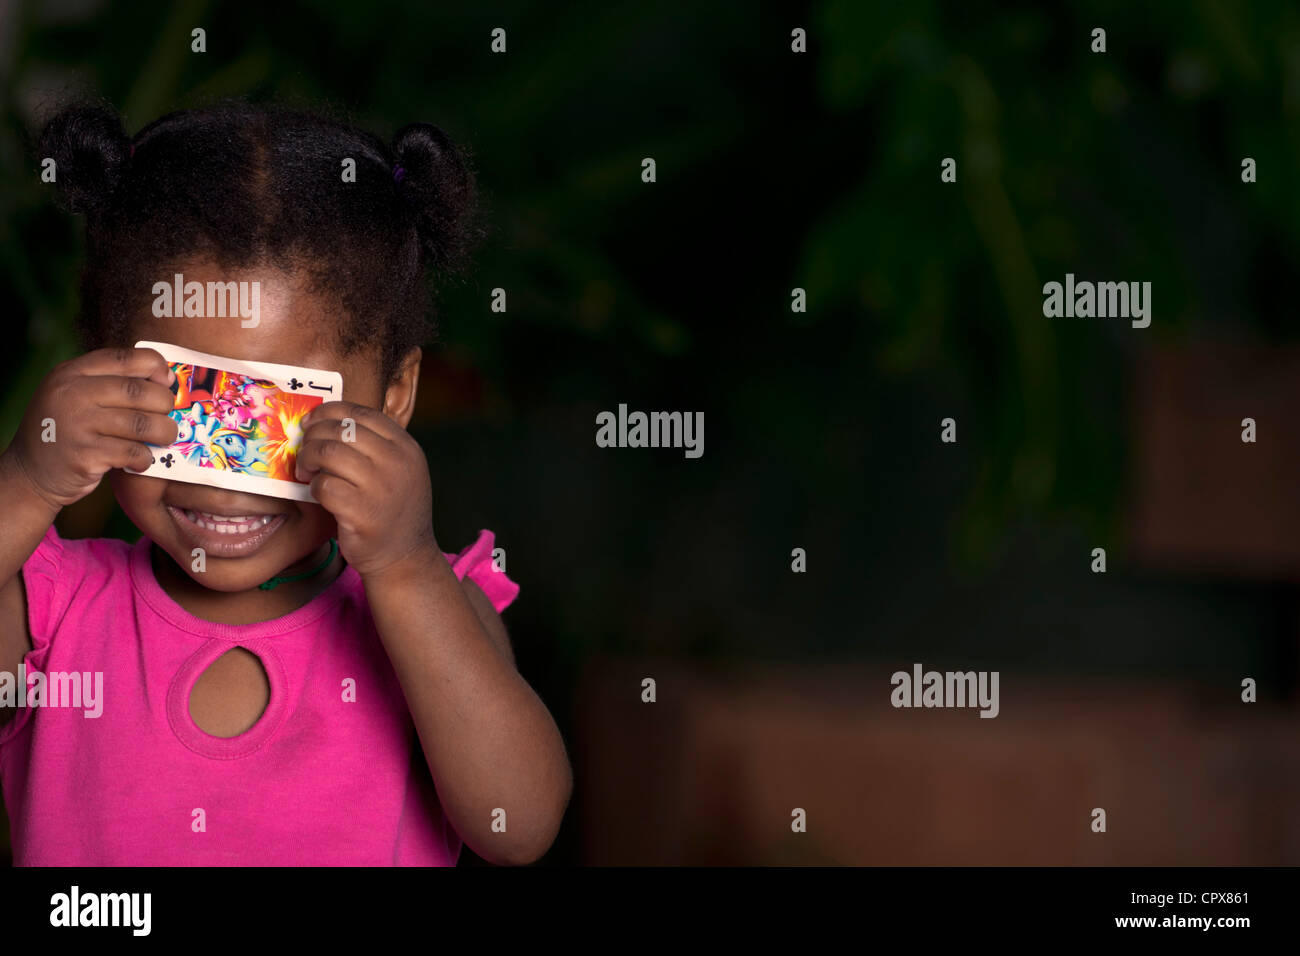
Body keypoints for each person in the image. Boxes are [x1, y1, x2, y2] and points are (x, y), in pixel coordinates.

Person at [0, 100, 572, 865]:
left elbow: (520, 826)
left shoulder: (436, 610)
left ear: (394, 397)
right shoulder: (49, 609)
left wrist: (406, 567)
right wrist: (27, 480)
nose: (228, 484)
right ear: (100, 373)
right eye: (190, 402)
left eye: (282, 416)